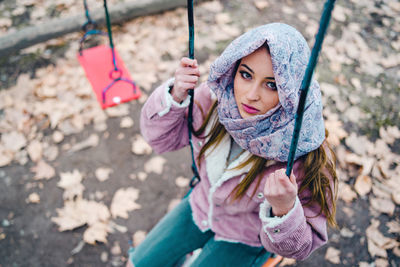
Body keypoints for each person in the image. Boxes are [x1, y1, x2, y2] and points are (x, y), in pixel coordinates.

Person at [127, 23, 338, 267]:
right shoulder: (214, 100)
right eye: (246, 75)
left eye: (272, 84)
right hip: (201, 206)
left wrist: (284, 210)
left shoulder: (304, 155)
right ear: (233, 69)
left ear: (292, 91)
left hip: (246, 237)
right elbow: (160, 140)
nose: (250, 95)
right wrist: (175, 96)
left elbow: (301, 246)